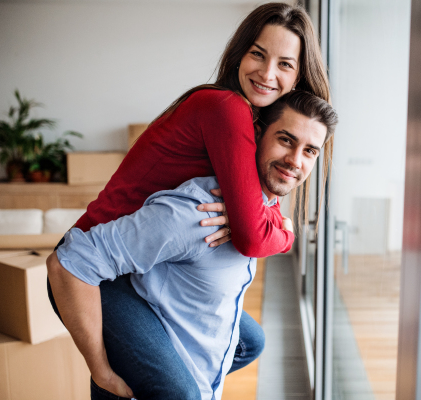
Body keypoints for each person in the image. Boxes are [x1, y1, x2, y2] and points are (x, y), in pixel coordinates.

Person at [46, 3, 332, 398]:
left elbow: (256, 209)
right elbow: (252, 237)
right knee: (169, 390)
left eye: (285, 64)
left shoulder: (250, 119)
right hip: (93, 268)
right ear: (239, 54)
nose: (267, 74)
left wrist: (254, 214)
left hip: (137, 259)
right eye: (257, 54)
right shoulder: (227, 108)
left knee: (248, 341)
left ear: (299, 74)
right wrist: (282, 232)